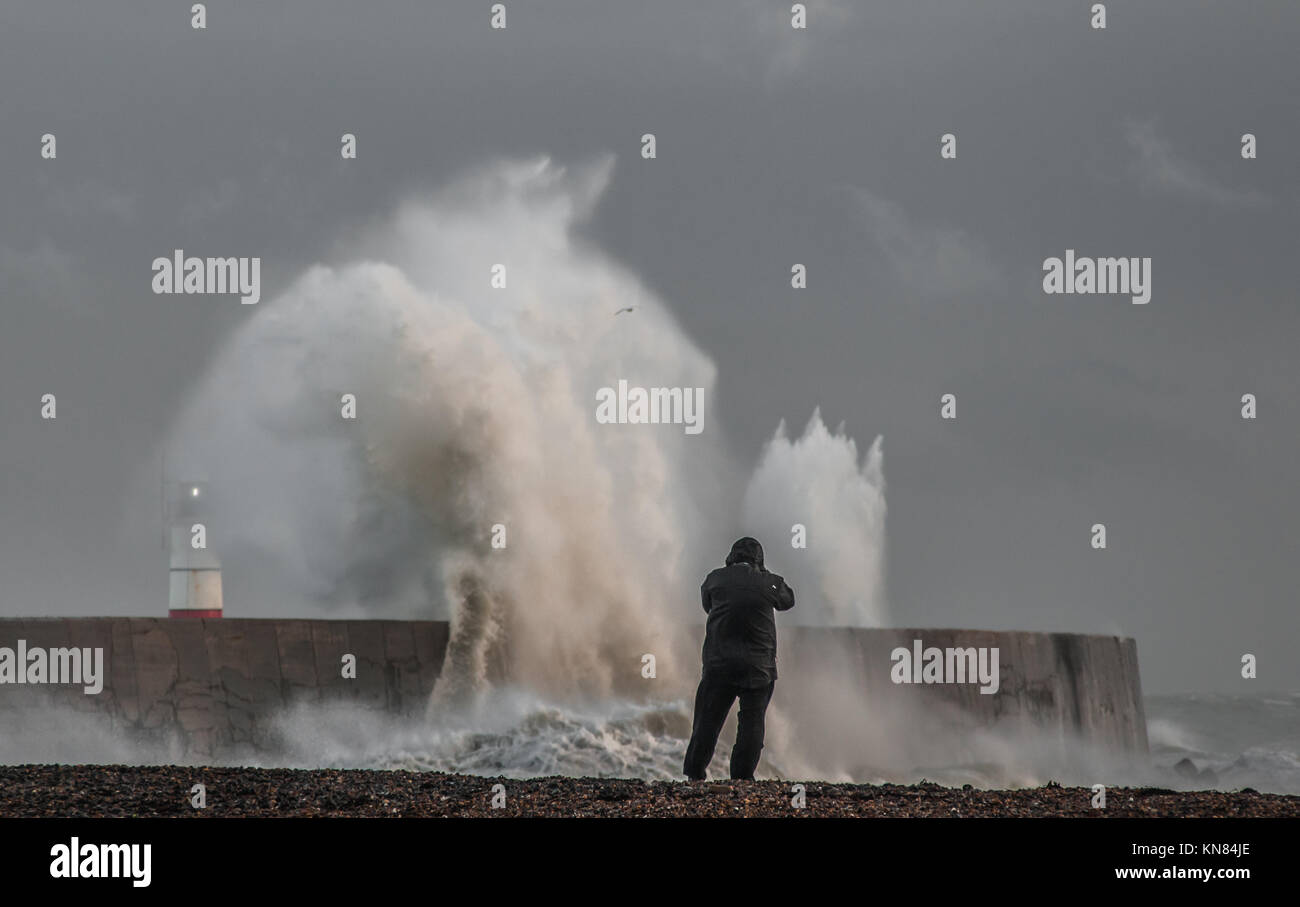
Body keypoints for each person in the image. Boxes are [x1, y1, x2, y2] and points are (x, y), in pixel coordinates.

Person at [683, 536, 795, 780]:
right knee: (751, 726)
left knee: (707, 723)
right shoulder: (770, 583)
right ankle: (742, 778)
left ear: (731, 557)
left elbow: (707, 604)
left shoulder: (715, 579)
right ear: (759, 560)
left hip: (719, 665)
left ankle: (695, 773)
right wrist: (764, 576)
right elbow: (788, 600)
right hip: (758, 668)